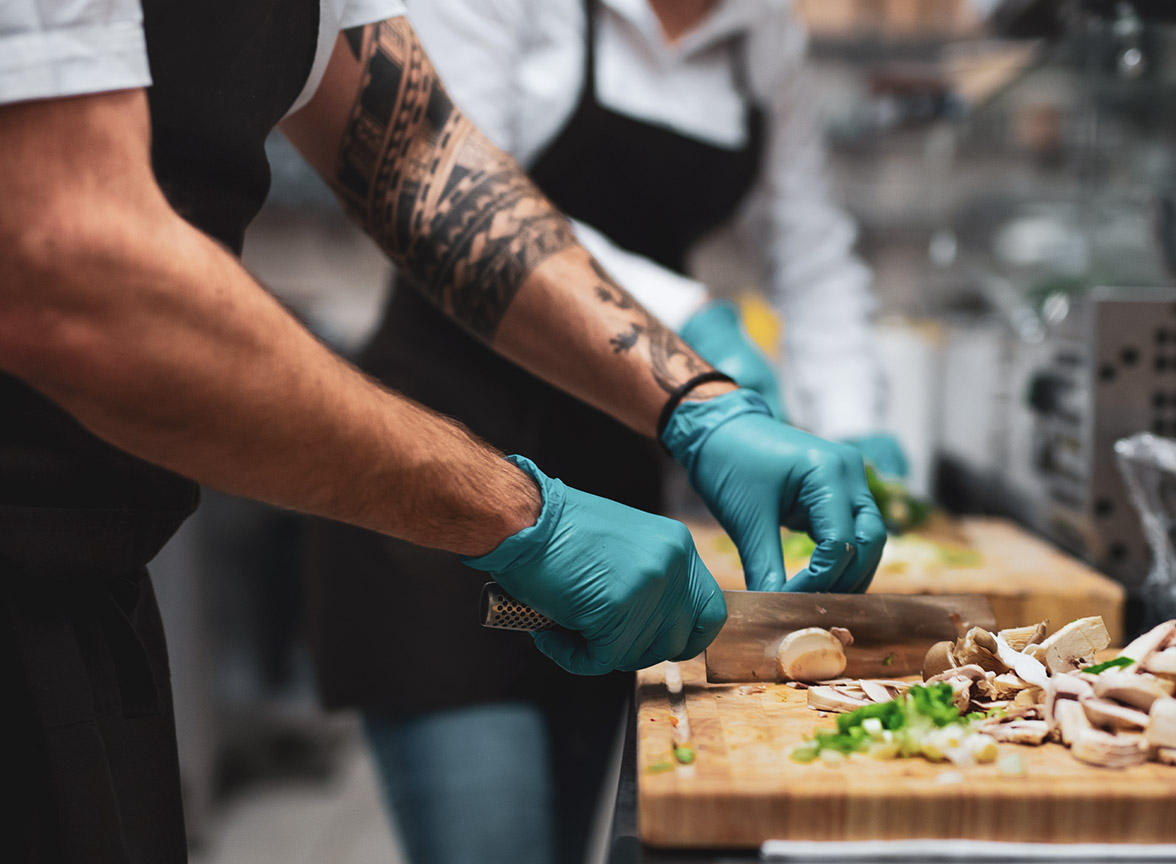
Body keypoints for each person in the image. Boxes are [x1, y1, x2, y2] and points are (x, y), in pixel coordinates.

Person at [0, 2, 886, 861]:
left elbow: (423, 158)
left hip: (86, 577)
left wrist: (696, 400)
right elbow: (73, 262)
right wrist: (523, 510)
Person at [300, 3, 906, 862]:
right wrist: (694, 340)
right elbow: (453, 182)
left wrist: (853, 424)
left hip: (620, 510)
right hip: (439, 474)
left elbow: (809, 251)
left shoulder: (763, 30)